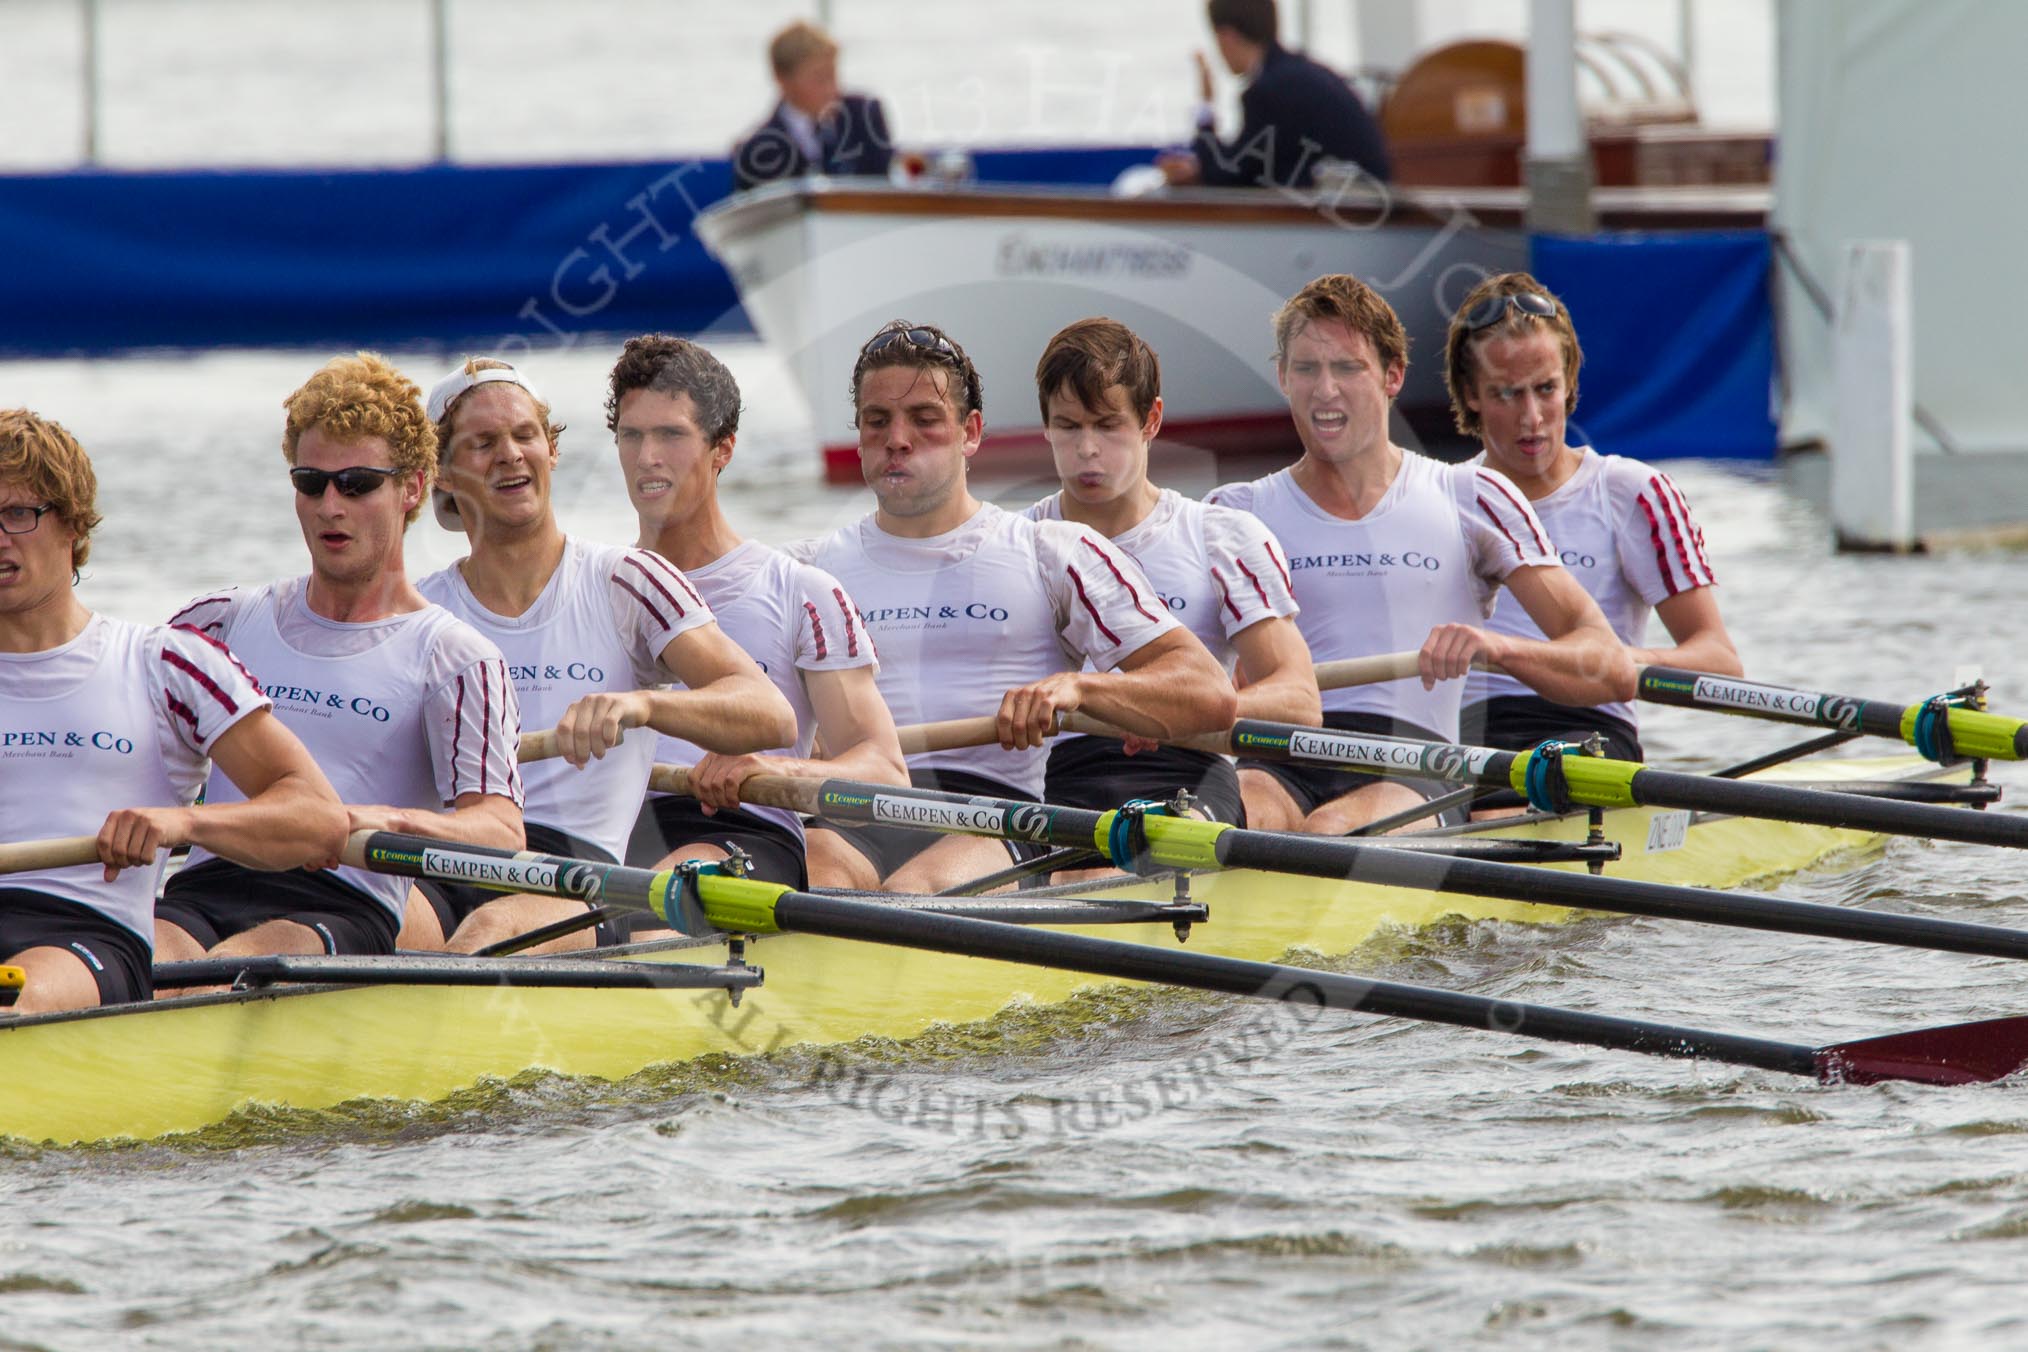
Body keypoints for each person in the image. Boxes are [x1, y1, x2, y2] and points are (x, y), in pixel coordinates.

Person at [786, 321, 1236, 893]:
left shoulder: (1053, 551)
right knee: (815, 883)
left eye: (924, 419)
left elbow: (1208, 694)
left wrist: (1080, 689)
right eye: (878, 422)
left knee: (912, 895)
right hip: (854, 810)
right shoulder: (808, 570)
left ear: (970, 432)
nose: (898, 438)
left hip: (993, 815)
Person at [1207, 275, 1634, 835]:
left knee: (1330, 830)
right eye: (1307, 369)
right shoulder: (1235, 513)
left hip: (1414, 766)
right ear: (1283, 378)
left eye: (1348, 368)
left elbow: (1610, 666)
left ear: (1392, 375)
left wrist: (1496, 647)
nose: (1325, 390)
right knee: (1225, 820)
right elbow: (1181, 666)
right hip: (1275, 757)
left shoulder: (1471, 497)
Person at [412, 357, 795, 955]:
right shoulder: (422, 613)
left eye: (524, 435)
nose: (510, 454)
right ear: (442, 474)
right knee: (368, 925)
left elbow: (770, 713)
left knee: (485, 938)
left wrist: (642, 706)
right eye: (483, 443)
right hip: (443, 861)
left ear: (551, 451)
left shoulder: (630, 581)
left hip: (578, 875)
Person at [158, 353, 526, 963]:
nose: (331, 505)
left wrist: (393, 822)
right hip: (202, 888)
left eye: (356, 484)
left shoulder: (456, 658)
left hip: (341, 901)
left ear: (410, 487)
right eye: (311, 482)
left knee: (221, 975)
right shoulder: (218, 622)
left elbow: (500, 830)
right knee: (143, 966)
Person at [0, 411, 344, 1012]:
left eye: (16, 515)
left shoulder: (165, 664)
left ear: (72, 525)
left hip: (82, 938)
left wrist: (179, 825)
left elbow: (320, 819)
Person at [612, 336, 906, 922]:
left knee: (642, 908)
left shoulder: (801, 592)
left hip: (739, 838)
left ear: (722, 449)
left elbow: (885, 770)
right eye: (631, 435)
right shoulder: (595, 589)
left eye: (670, 435)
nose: (648, 456)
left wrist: (778, 767)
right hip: (610, 837)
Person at [1025, 317, 1319, 832]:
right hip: (1050, 781)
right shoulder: (1015, 543)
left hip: (1187, 772)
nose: (1087, 449)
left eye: (1108, 425)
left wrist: (1178, 711)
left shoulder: (1219, 538)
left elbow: (1299, 700)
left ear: (1151, 420)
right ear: (1046, 425)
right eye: (1069, 426)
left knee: (1103, 870)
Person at [1446, 272, 1741, 768]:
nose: (1532, 417)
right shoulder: (1437, 496)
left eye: (1545, 389)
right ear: (1471, 394)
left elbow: (1719, 662)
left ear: (1570, 384)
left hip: (1585, 727)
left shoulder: (1633, 493)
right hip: (1459, 736)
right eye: (1506, 394)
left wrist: (1610, 662)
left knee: (1501, 806)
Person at [1158, 0, 1390, 190]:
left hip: (1352, 207)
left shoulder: (1270, 89)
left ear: (1226, 36)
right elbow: (1250, 162)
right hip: (1368, 199)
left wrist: (1205, 111)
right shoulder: (1300, 73)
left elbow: (1227, 176)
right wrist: (1203, 168)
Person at [733, 21, 893, 192]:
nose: (831, 89)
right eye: (818, 78)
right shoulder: (757, 151)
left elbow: (883, 189)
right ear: (783, 80)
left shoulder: (865, 117)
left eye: (832, 75)